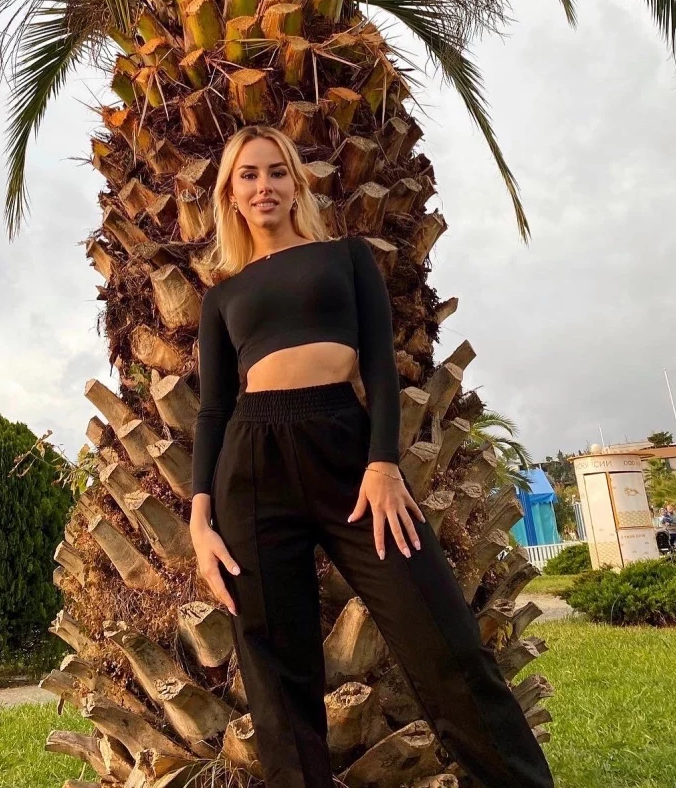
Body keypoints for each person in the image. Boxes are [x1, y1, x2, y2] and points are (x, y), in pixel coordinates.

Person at [189, 125, 555, 788]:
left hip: (347, 450)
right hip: (252, 466)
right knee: (278, 686)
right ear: (230, 195)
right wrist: (198, 520)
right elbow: (213, 409)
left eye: (277, 171)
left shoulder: (345, 258)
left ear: (297, 184)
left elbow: (381, 368)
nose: (264, 185)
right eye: (248, 175)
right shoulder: (223, 296)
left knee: (445, 642)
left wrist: (382, 463)